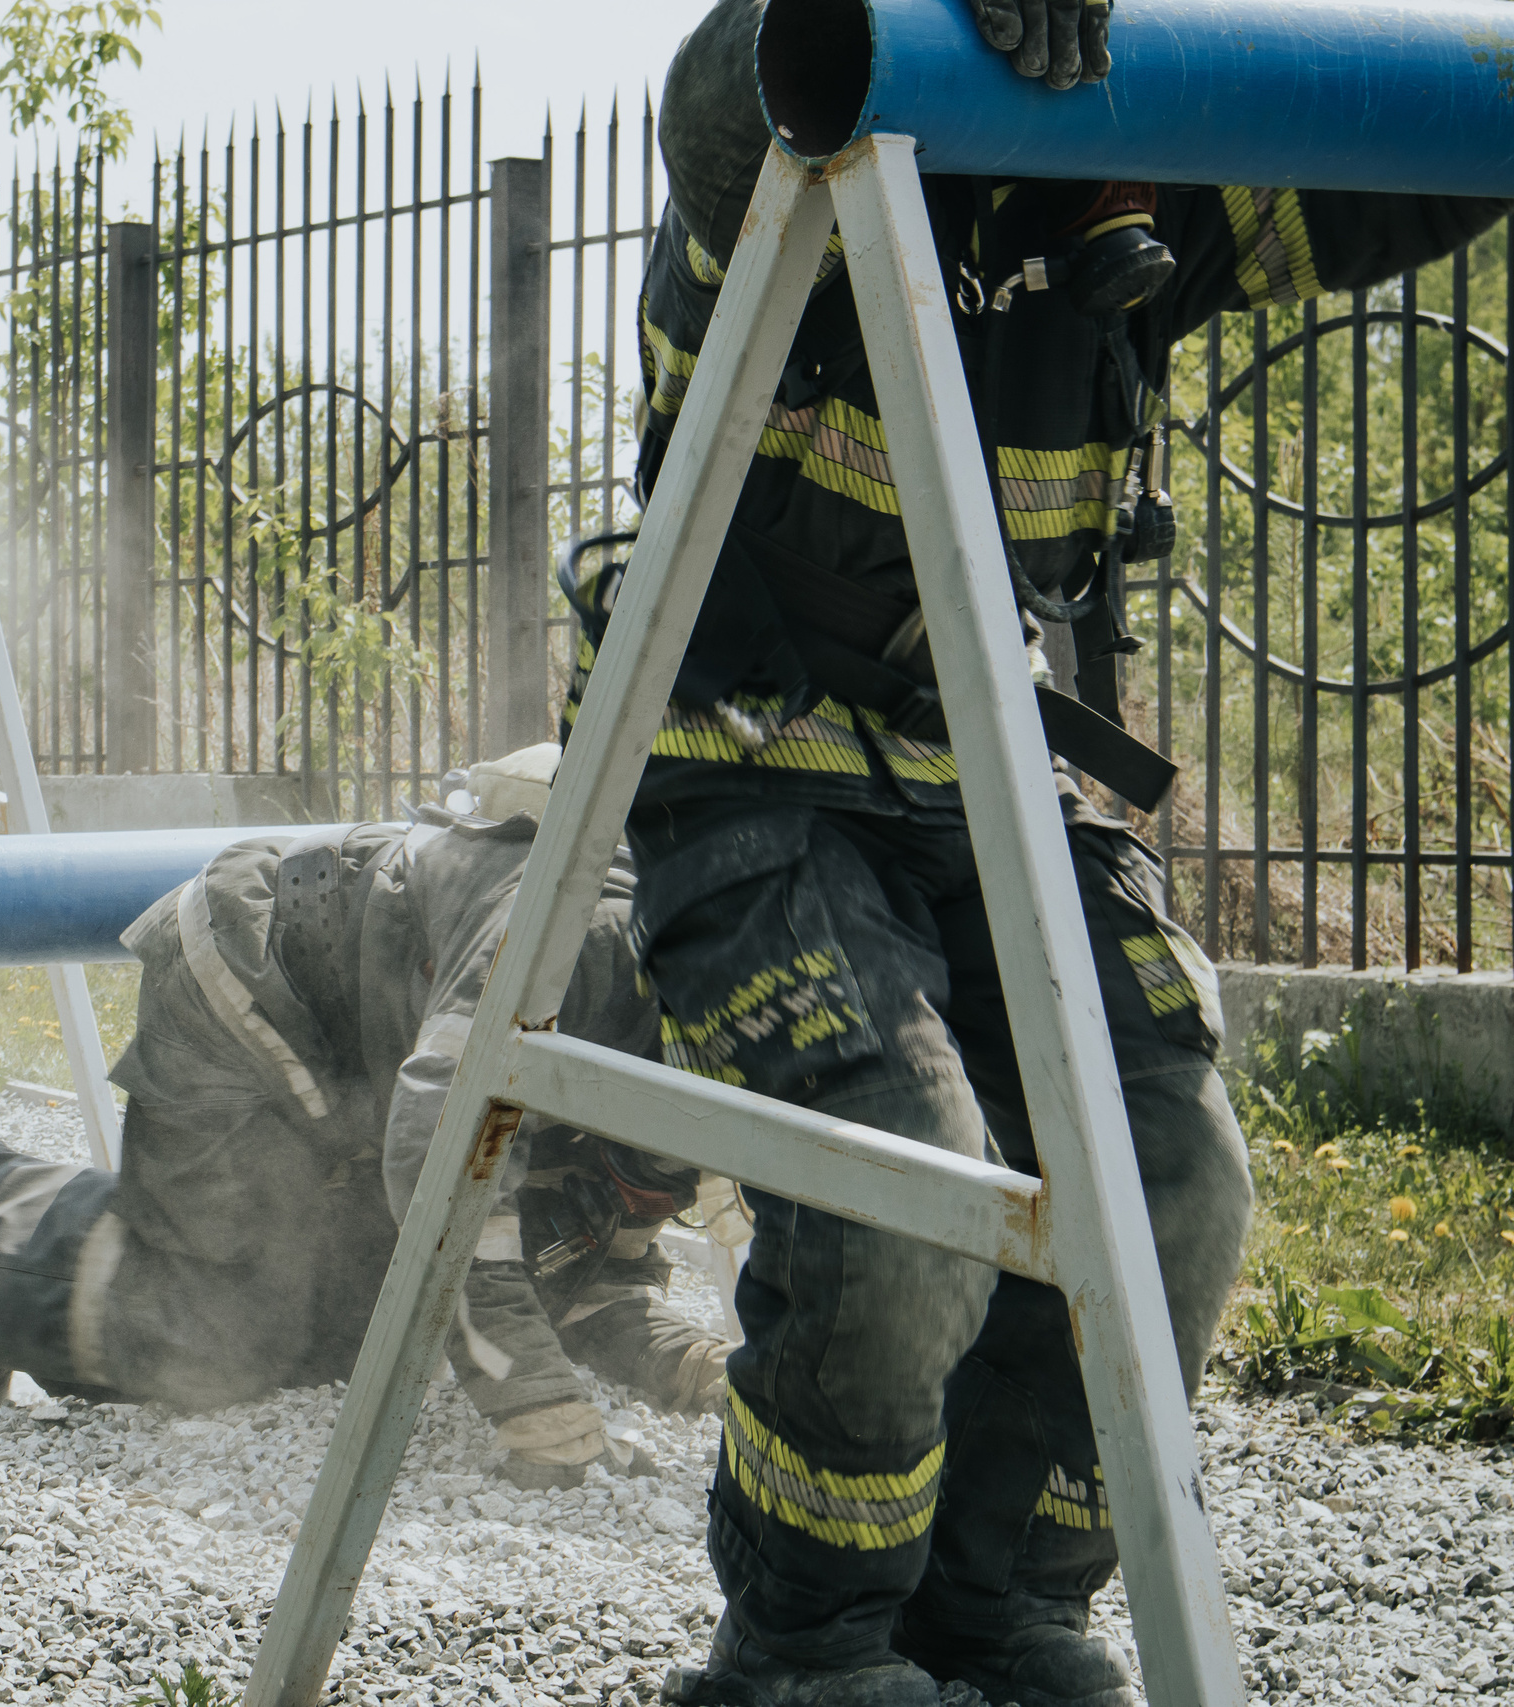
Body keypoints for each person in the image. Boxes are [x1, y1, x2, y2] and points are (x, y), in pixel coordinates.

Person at [604, 4, 1514, 1703]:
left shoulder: (1129, 170)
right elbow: (732, 81)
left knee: (1174, 1178)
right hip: (751, 760)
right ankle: (800, 1644)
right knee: (906, 1187)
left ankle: (996, 1604)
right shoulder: (811, 117)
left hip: (992, 761)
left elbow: (1407, 150)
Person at [0, 747, 733, 1488]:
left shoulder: (703, 1015)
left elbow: (593, 1246)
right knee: (231, 1327)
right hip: (245, 983)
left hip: (359, 1054)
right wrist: (536, 1405)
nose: (673, 1188)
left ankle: (21, 1253)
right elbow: (437, 1147)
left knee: (359, 1314)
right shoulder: (576, 952)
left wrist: (688, 1363)